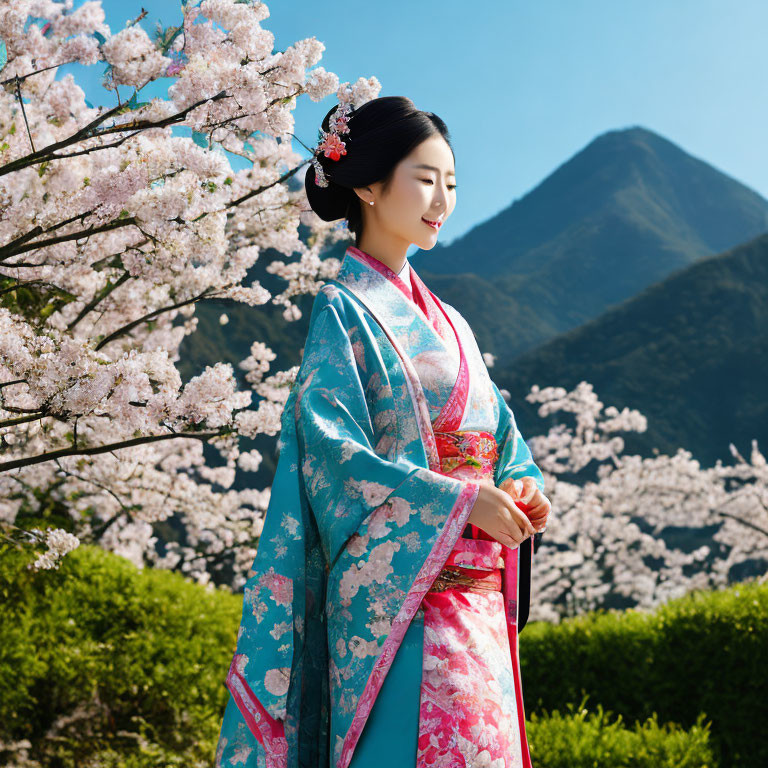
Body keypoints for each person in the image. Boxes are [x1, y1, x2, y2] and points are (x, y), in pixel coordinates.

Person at [215, 95, 552, 768]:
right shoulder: (342, 312)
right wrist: (459, 502)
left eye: (451, 183)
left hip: (478, 607)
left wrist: (521, 485)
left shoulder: (456, 323)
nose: (443, 199)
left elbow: (501, 435)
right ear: (368, 185)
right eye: (426, 179)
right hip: (402, 613)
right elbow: (333, 455)